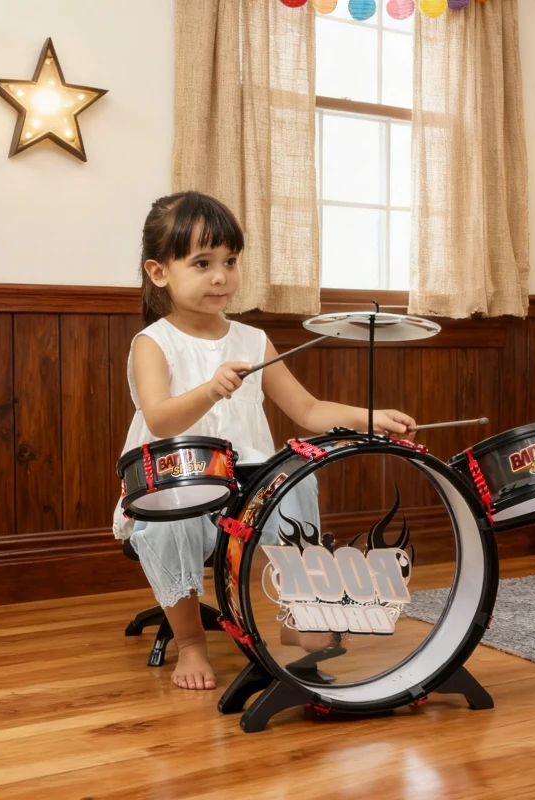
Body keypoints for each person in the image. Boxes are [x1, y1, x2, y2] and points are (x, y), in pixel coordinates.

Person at [113, 191, 416, 691]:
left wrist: (369, 417)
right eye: (203, 263)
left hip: (249, 478)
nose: (221, 276)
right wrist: (210, 389)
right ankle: (191, 642)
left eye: (230, 262)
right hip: (176, 483)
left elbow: (308, 409)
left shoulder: (252, 339)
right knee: (171, 528)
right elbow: (161, 420)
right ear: (159, 271)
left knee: (296, 483)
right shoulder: (154, 342)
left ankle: (296, 617)